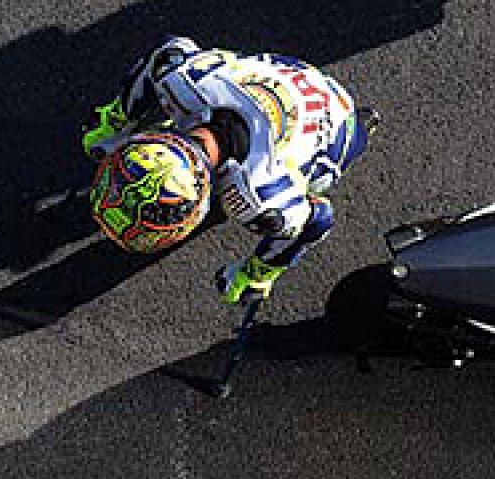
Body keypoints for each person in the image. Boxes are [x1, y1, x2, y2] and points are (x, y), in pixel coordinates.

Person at [82, 37, 376, 304]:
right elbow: (169, 50)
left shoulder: (259, 199)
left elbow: (320, 218)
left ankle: (364, 126)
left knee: (319, 180)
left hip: (337, 118)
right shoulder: (176, 78)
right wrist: (117, 120)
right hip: (287, 77)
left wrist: (258, 274)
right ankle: (115, 119)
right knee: (172, 65)